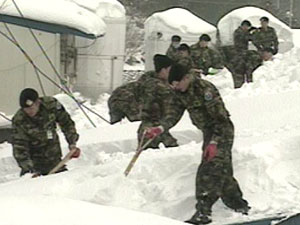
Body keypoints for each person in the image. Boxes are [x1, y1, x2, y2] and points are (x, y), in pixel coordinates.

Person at [145, 64, 250, 224]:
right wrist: (160, 128)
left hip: (221, 131)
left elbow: (220, 120)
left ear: (186, 78)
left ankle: (203, 213)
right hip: (208, 133)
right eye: (172, 84)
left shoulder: (205, 89)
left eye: (177, 83)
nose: (175, 87)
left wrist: (214, 142)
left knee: (209, 170)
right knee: (222, 170)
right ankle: (238, 205)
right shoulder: (180, 91)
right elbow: (173, 114)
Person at [11, 88, 80, 177]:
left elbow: (66, 123)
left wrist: (72, 143)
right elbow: (19, 147)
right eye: (26, 109)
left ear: (38, 102)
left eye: (31, 108)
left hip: (54, 159)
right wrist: (29, 170)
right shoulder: (19, 120)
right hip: (34, 164)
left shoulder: (51, 105)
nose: (29, 112)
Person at [138, 55, 183, 149]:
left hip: (154, 126)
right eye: (170, 70)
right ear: (163, 70)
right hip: (152, 128)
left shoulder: (147, 80)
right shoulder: (159, 87)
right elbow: (175, 107)